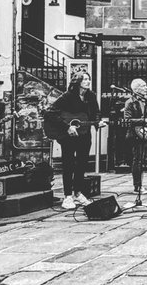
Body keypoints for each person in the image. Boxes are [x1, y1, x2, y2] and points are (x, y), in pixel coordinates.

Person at [43, 72, 104, 208]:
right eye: (85, 79)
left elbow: (96, 112)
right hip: (68, 137)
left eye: (89, 79)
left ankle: (78, 193)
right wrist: (67, 127)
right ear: (78, 82)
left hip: (84, 134)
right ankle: (67, 196)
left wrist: (97, 122)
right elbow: (49, 112)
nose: (88, 82)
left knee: (82, 163)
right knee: (68, 164)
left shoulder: (90, 96)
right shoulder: (67, 97)